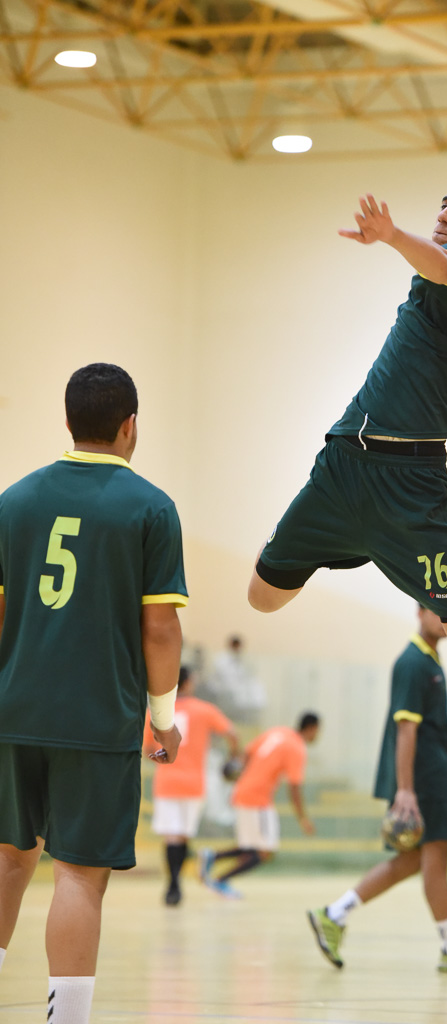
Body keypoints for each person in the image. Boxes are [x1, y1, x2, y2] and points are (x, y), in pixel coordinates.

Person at [248, 172, 447, 663]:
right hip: (344, 467)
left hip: (413, 486)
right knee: (262, 597)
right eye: (445, 203)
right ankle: (361, 539)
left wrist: (391, 236)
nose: (444, 214)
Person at [0, 363, 188, 1024]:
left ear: (68, 421)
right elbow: (160, 629)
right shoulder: (151, 508)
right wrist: (163, 718)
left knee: (9, 858)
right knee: (79, 875)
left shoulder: (13, 501)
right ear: (130, 425)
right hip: (97, 718)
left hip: (14, 712)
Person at [308, 605, 447, 974]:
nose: (443, 618)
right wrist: (406, 790)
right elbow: (405, 729)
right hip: (425, 780)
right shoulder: (412, 663)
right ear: (419, 611)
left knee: (410, 861)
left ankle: (334, 914)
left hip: (427, 776)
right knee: (436, 858)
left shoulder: (428, 660)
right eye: (436, 611)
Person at [143, 665, 240, 906]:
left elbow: (147, 749)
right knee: (184, 834)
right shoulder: (204, 709)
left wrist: (163, 760)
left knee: (171, 836)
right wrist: (231, 759)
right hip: (194, 782)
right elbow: (232, 734)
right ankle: (177, 881)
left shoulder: (155, 711)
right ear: (187, 683)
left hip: (167, 781)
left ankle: (173, 884)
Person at [199, 712, 320, 897]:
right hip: (257, 799)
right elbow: (294, 787)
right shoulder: (296, 747)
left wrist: (237, 775)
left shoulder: (278, 732)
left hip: (243, 792)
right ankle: (220, 880)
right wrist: (303, 818)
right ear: (312, 728)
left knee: (251, 846)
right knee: (265, 851)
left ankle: (212, 857)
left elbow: (246, 754)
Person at [209, 634, 266, 724]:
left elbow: (246, 676)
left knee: (256, 689)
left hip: (237, 689)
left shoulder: (242, 660)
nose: (237, 649)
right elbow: (222, 678)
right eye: (236, 646)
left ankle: (249, 717)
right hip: (223, 690)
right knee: (239, 694)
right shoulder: (221, 659)